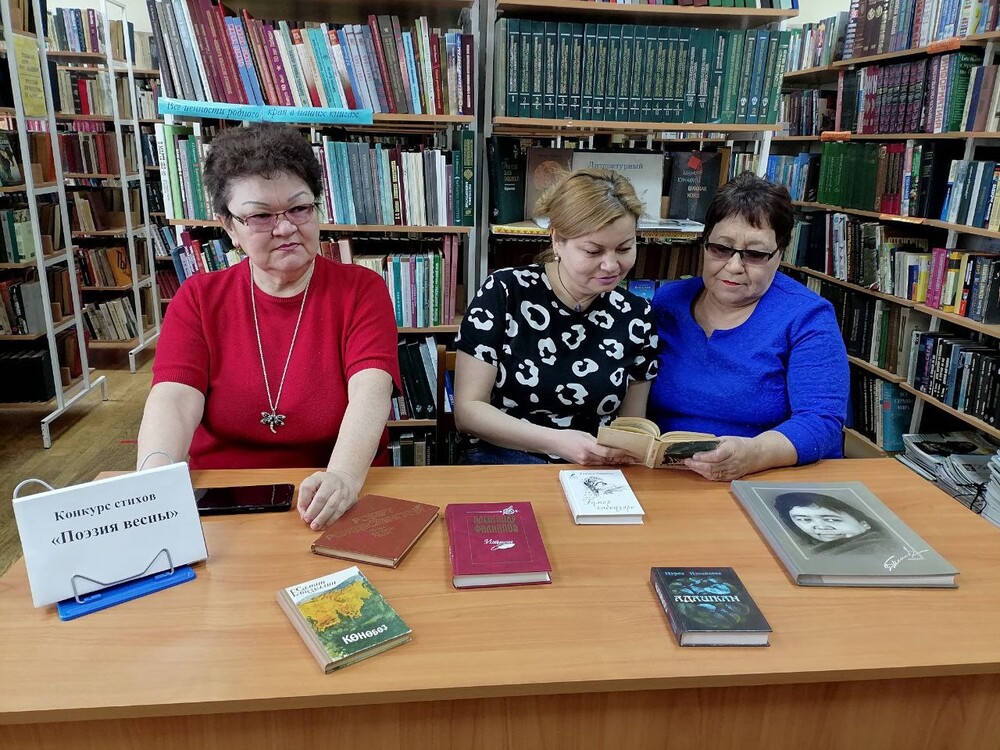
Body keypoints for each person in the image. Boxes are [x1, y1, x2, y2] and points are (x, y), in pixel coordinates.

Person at [136, 123, 399, 530]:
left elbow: (371, 392)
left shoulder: (362, 290)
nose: (286, 228)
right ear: (229, 227)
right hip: (223, 494)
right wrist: (152, 485)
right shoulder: (199, 298)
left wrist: (343, 476)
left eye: (299, 209)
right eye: (260, 216)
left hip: (335, 490)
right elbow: (174, 399)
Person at [648, 171, 848, 481]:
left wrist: (753, 455)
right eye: (720, 248)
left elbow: (821, 422)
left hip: (763, 476)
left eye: (754, 254)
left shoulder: (808, 316)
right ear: (704, 243)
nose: (733, 266)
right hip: (667, 476)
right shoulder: (667, 302)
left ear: (780, 254)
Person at [454, 167, 658, 464]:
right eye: (593, 251)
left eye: (625, 248)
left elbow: (631, 424)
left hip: (594, 467)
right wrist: (558, 442)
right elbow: (468, 411)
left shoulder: (636, 314)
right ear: (557, 240)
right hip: (503, 458)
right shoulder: (505, 291)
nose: (611, 265)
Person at [773, 492, 893, 557]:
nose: (821, 527)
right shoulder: (808, 550)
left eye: (832, 519)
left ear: (864, 523)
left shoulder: (878, 548)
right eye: (804, 519)